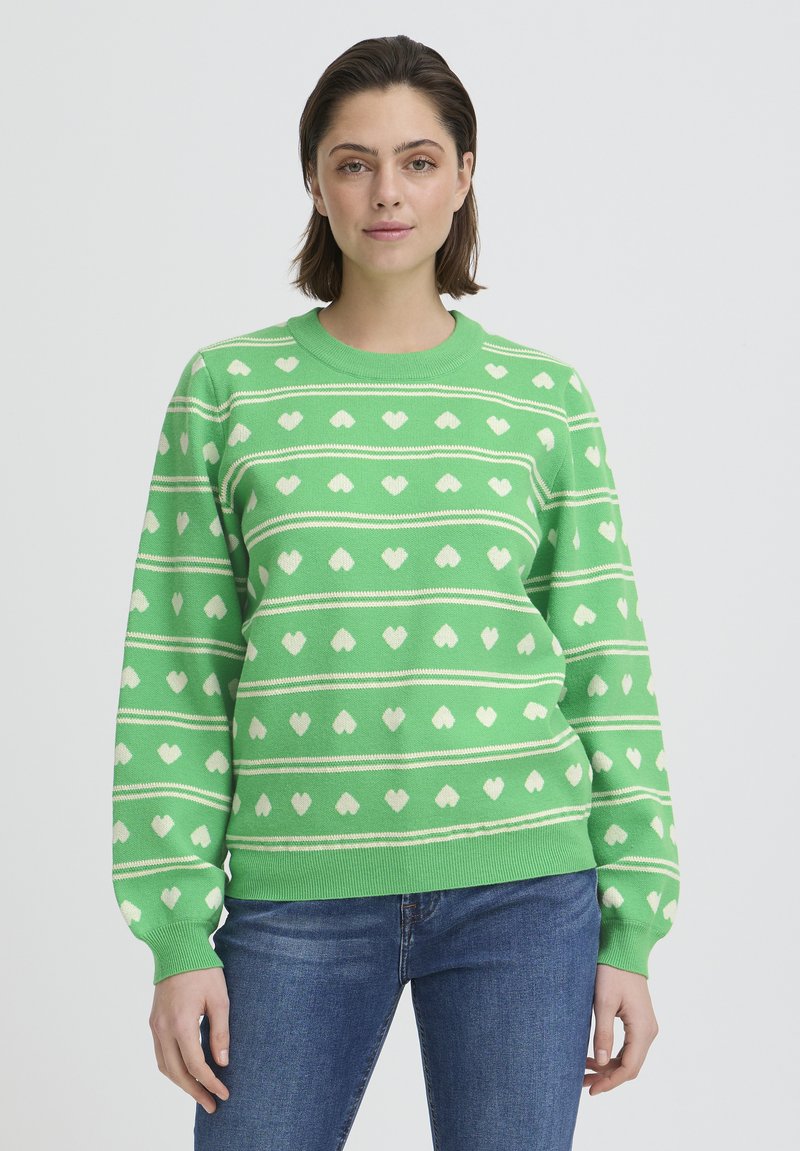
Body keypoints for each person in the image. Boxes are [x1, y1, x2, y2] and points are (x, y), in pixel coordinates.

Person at [111, 33, 681, 1151]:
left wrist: (633, 927)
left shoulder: (542, 398)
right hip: (295, 893)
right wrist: (176, 934)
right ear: (314, 182)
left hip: (526, 891)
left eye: (418, 161)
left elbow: (604, 665)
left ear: (463, 176)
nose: (387, 192)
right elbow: (178, 672)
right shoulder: (228, 389)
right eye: (354, 162)